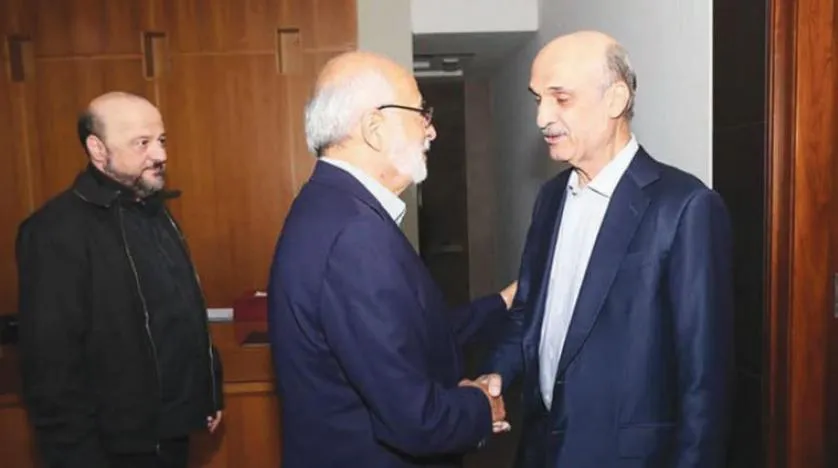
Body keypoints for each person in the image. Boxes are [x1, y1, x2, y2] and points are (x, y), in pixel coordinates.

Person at [484, 31, 734, 467]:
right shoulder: (549, 198)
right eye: (538, 99)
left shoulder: (684, 207)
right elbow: (527, 312)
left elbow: (704, 381)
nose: (541, 117)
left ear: (615, 100)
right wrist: (496, 374)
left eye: (561, 99)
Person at [267, 51, 517, 468]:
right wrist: (480, 405)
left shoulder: (329, 206)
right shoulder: (355, 236)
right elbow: (416, 421)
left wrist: (503, 302)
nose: (431, 130)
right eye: (421, 113)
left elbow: (407, 335)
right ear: (375, 129)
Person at [16, 92, 224, 468]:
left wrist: (209, 390)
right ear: (98, 149)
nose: (160, 154)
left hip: (170, 436)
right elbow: (51, 368)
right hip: (110, 450)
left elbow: (182, 313)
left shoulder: (155, 213)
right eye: (142, 143)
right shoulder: (54, 231)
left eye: (161, 140)